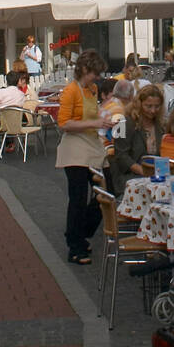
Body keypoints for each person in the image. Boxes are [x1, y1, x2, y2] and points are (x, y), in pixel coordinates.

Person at [56, 49, 111, 265]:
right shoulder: (71, 91)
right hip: (74, 149)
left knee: (107, 191)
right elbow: (64, 123)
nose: (97, 78)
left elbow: (91, 116)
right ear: (85, 70)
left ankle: (79, 232)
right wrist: (96, 123)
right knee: (78, 198)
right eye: (95, 73)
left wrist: (103, 121)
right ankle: (75, 246)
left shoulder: (93, 89)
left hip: (91, 145)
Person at [107, 83, 162, 195]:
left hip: (157, 177)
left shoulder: (161, 125)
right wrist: (142, 171)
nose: (153, 111)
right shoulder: (123, 123)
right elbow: (121, 156)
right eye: (148, 106)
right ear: (139, 104)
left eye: (157, 106)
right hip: (130, 178)